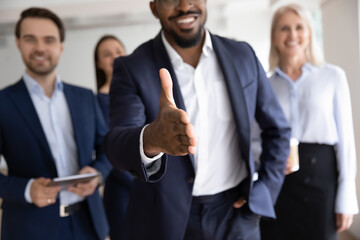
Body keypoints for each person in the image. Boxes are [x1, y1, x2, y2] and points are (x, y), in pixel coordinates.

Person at [103, 0, 291, 239]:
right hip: (166, 220)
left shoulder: (242, 54)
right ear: (154, 8)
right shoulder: (132, 67)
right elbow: (117, 142)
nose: (184, 6)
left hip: (237, 215)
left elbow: (278, 129)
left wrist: (264, 190)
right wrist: (152, 138)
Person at [0, 7, 112, 240]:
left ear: (60, 47)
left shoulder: (85, 97)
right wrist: (27, 190)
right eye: (31, 39)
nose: (40, 48)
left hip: (88, 225)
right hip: (30, 229)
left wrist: (97, 173)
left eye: (48, 40)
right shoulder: (3, 102)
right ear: (18, 43)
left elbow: (107, 148)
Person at [260, 4, 358, 240]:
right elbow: (256, 138)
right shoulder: (265, 84)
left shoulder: (332, 77)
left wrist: (347, 197)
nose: (292, 35)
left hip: (322, 182)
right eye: (284, 28)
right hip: (278, 182)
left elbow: (346, 141)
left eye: (299, 27)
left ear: (309, 33)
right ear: (274, 36)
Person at [94, 35, 133, 240]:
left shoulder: (138, 93)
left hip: (149, 185)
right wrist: (142, 184)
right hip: (122, 191)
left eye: (118, 51)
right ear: (99, 63)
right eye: (107, 55)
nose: (114, 57)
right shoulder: (97, 101)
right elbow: (107, 152)